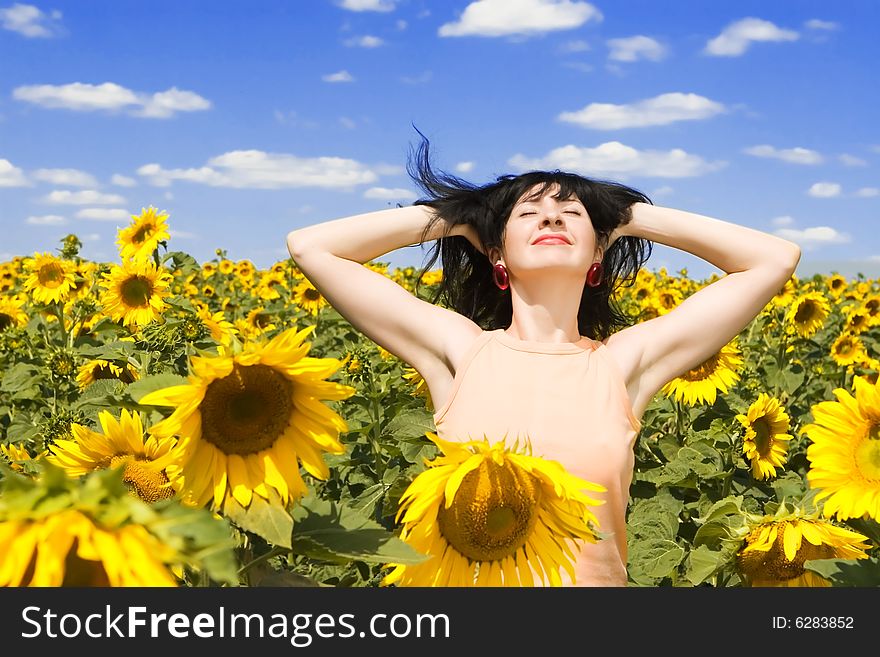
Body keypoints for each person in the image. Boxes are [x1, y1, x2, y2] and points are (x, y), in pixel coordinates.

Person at [285, 132, 802, 587]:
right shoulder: (462, 351)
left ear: (597, 255)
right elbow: (313, 248)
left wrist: (621, 214)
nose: (551, 215)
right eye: (526, 214)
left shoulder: (621, 365)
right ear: (497, 257)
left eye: (572, 213)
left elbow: (773, 259)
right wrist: (464, 215)